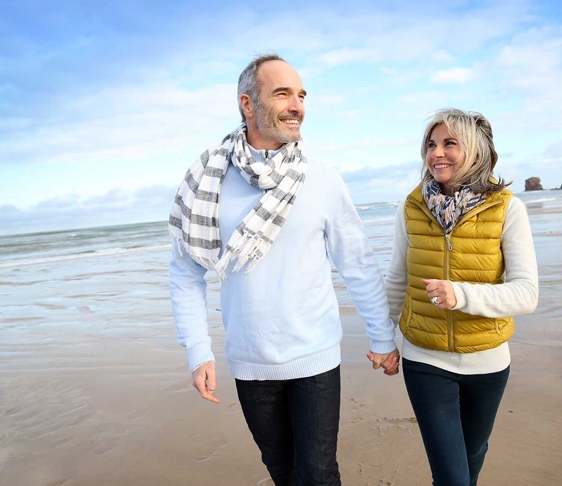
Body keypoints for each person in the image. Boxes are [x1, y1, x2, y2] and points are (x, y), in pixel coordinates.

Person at [168, 53, 400, 486]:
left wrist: (383, 337)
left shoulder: (322, 179)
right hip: (249, 359)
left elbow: (358, 263)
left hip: (314, 355)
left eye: (301, 95)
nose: (297, 105)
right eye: (282, 93)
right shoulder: (208, 181)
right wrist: (198, 349)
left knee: (317, 473)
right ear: (247, 104)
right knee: (281, 471)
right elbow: (186, 272)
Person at [384, 108, 539, 486]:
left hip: (488, 363)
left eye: (449, 144)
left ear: (475, 150)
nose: (437, 153)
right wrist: (383, 338)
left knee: (471, 460)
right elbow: (396, 279)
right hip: (425, 359)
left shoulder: (508, 209)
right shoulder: (412, 207)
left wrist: (462, 295)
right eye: (431, 145)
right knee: (452, 477)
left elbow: (527, 293)